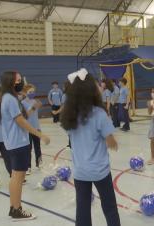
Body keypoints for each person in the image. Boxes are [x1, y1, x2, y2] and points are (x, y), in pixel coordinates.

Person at [61, 68, 121, 226]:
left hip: (80, 171)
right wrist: (113, 143)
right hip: (100, 170)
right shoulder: (99, 114)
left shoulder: (70, 115)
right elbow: (111, 142)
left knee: (82, 208)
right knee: (109, 206)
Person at [0, 71, 50, 221]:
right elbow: (20, 121)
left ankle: (14, 207)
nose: (21, 82)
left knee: (16, 176)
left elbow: (24, 115)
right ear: (12, 82)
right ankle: (17, 210)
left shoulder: (9, 98)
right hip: (18, 143)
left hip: (15, 142)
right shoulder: (10, 99)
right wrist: (40, 135)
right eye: (19, 80)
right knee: (17, 177)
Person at [21, 84, 43, 174]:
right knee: (28, 148)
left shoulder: (35, 101)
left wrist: (39, 127)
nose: (32, 93)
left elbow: (35, 117)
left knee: (38, 146)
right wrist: (34, 107)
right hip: (27, 129)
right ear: (25, 93)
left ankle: (39, 163)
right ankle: (28, 166)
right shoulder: (22, 103)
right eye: (30, 92)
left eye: (33, 92)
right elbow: (25, 116)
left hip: (36, 128)